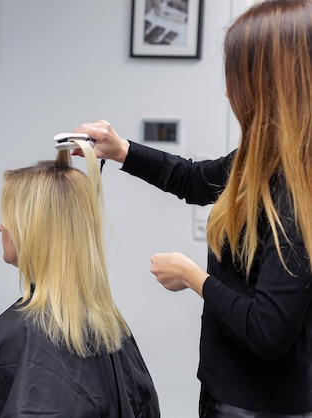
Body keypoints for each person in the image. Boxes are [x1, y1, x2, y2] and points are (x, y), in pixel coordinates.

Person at [74, 1, 312, 416]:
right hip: (228, 389)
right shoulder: (262, 159)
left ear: (270, 83)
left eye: (235, 77)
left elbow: (267, 329)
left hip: (262, 406)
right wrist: (122, 151)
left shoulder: (298, 188)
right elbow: (196, 180)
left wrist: (192, 277)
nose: (226, 90)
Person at [0, 142, 160, 417]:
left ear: (34, 230)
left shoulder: (30, 333)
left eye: (9, 215)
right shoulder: (109, 323)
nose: (0, 225)